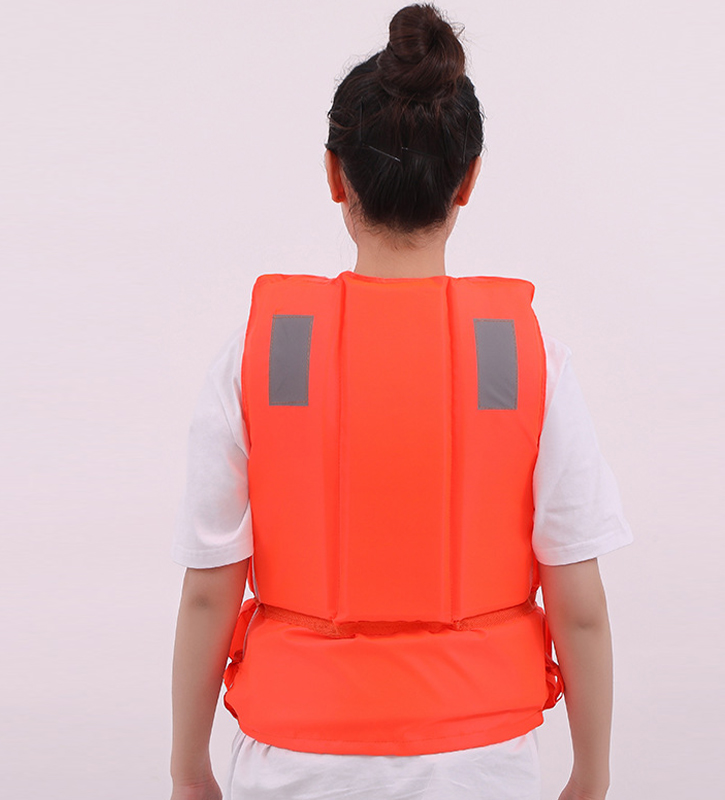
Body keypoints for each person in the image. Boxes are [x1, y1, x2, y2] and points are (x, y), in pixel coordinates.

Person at [169, 4, 633, 800]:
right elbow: (579, 603)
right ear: (469, 180)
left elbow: (211, 587)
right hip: (481, 765)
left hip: (295, 764)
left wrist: (189, 772)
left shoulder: (264, 353)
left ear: (334, 174)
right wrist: (590, 778)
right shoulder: (520, 356)